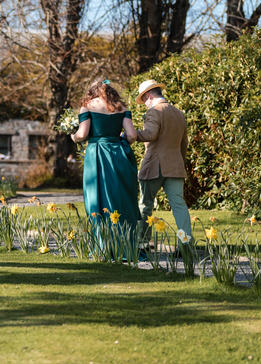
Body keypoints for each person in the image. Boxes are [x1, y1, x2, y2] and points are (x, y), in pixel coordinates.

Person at [71, 80, 141, 247]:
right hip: (119, 154)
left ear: (92, 91)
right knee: (121, 196)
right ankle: (126, 245)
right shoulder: (121, 108)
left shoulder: (87, 105)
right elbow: (131, 135)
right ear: (112, 92)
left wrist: (73, 137)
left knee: (97, 197)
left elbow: (82, 133)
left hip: (97, 154)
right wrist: (119, 141)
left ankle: (103, 245)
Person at [134, 79, 192, 244]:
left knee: (145, 205)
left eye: (143, 100)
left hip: (154, 166)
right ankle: (185, 244)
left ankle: (142, 243)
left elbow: (150, 134)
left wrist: (131, 133)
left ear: (149, 96)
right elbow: (184, 144)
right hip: (175, 165)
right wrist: (179, 161)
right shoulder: (179, 113)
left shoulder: (154, 111)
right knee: (179, 206)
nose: (144, 104)